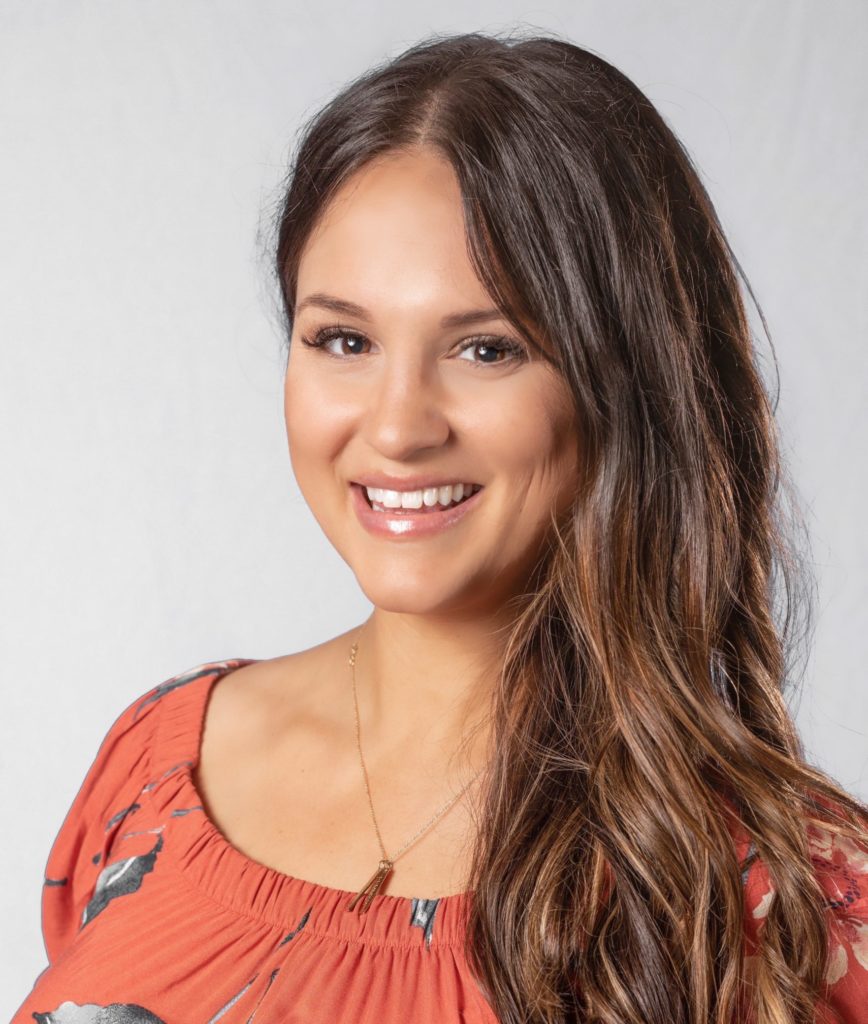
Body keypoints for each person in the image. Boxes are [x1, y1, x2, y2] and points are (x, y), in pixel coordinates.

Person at [13, 28, 868, 1024]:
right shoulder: (154, 769)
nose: (395, 425)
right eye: (344, 338)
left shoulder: (785, 899)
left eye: (485, 348)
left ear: (623, 382)